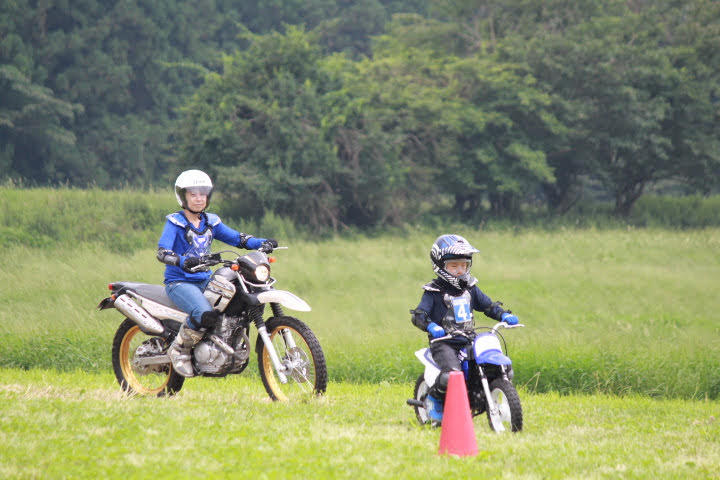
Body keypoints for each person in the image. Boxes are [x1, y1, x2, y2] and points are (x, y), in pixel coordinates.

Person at [157, 169, 278, 377]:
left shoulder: (210, 221)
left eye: (202, 194)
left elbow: (238, 239)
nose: (198, 199)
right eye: (193, 194)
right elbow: (163, 251)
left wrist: (262, 242)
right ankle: (180, 350)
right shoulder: (175, 222)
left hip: (205, 279)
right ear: (183, 196)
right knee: (204, 313)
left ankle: (220, 346)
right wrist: (184, 261)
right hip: (180, 282)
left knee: (236, 299)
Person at [410, 234, 519, 423]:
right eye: (454, 266)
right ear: (440, 264)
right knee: (452, 376)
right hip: (444, 343)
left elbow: (488, 306)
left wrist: (503, 315)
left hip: (469, 339)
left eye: (464, 265)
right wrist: (431, 326)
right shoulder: (433, 292)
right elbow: (419, 315)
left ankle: (485, 392)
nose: (460, 270)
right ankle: (434, 400)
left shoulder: (470, 288)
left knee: (499, 365)